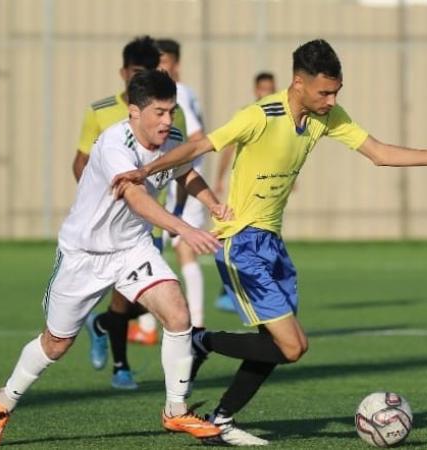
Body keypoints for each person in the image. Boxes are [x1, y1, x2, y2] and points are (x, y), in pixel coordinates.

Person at [112, 39, 427, 446]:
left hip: (272, 244)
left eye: (336, 91)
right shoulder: (260, 115)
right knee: (291, 346)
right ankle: (202, 342)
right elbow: (201, 145)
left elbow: (378, 153)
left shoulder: (326, 116)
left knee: (279, 345)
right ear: (298, 84)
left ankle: (221, 417)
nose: (332, 100)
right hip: (240, 244)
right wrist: (144, 171)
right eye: (325, 92)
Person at [0, 70, 229, 449]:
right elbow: (137, 198)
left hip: (132, 249)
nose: (167, 121)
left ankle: (175, 410)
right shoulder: (114, 144)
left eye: (171, 111)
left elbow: (185, 172)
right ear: (134, 112)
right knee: (56, 345)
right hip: (84, 255)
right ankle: (4, 400)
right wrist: (184, 228)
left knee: (178, 315)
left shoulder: (172, 138)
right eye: (159, 112)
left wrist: (213, 205)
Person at [73, 36, 187, 390]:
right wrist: (102, 202)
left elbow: (181, 163)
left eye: (148, 72)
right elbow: (80, 163)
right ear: (123, 72)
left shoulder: (172, 113)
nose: (140, 78)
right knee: (125, 296)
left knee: (144, 299)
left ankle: (102, 325)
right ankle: (120, 367)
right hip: (110, 225)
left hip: (150, 220)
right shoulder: (101, 111)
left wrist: (178, 210)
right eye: (135, 72)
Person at [126, 38, 210, 344]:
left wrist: (169, 164)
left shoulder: (179, 93)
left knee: (181, 249)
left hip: (182, 178)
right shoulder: (180, 92)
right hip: (169, 177)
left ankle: (194, 325)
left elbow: (197, 138)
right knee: (153, 248)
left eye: (163, 61)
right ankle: (150, 325)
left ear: (175, 63)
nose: (158, 67)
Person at [212, 71, 277, 313]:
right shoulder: (247, 115)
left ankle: (248, 289)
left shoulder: (280, 117)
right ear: (256, 90)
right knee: (237, 234)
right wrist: (219, 179)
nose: (267, 93)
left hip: (268, 189)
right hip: (245, 189)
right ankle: (230, 290)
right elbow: (228, 149)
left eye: (271, 89)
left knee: (262, 238)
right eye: (263, 89)